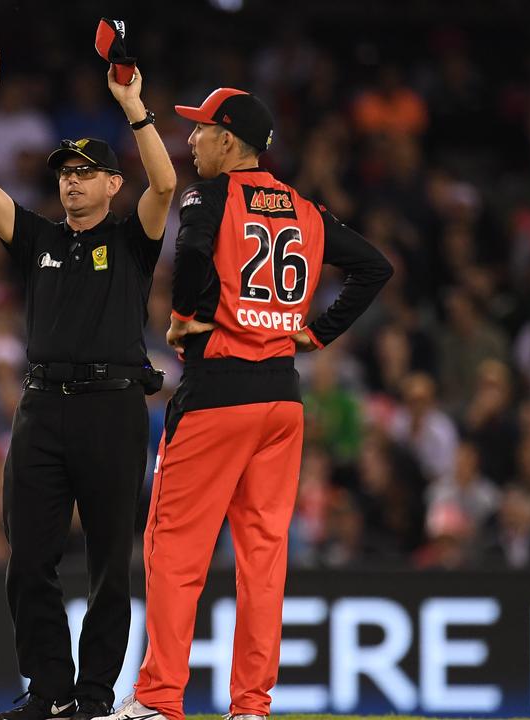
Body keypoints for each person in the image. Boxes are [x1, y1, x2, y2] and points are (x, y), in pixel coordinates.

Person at [98, 88, 391, 720]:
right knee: (263, 557)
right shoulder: (306, 211)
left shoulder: (210, 194)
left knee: (175, 551)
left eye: (201, 131)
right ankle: (252, 708)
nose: (192, 141)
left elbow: (196, 251)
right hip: (281, 401)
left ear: (229, 141)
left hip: (217, 395)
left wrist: (183, 318)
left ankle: (157, 701)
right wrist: (316, 333)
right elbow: (374, 267)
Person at [0, 47, 175, 720]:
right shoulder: (38, 240)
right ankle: (49, 691)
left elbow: (166, 186)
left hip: (113, 406)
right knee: (27, 562)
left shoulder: (133, 240)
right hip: (41, 405)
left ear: (114, 183)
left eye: (87, 173)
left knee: (111, 564)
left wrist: (135, 110)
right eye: (66, 174)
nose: (73, 183)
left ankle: (93, 697)